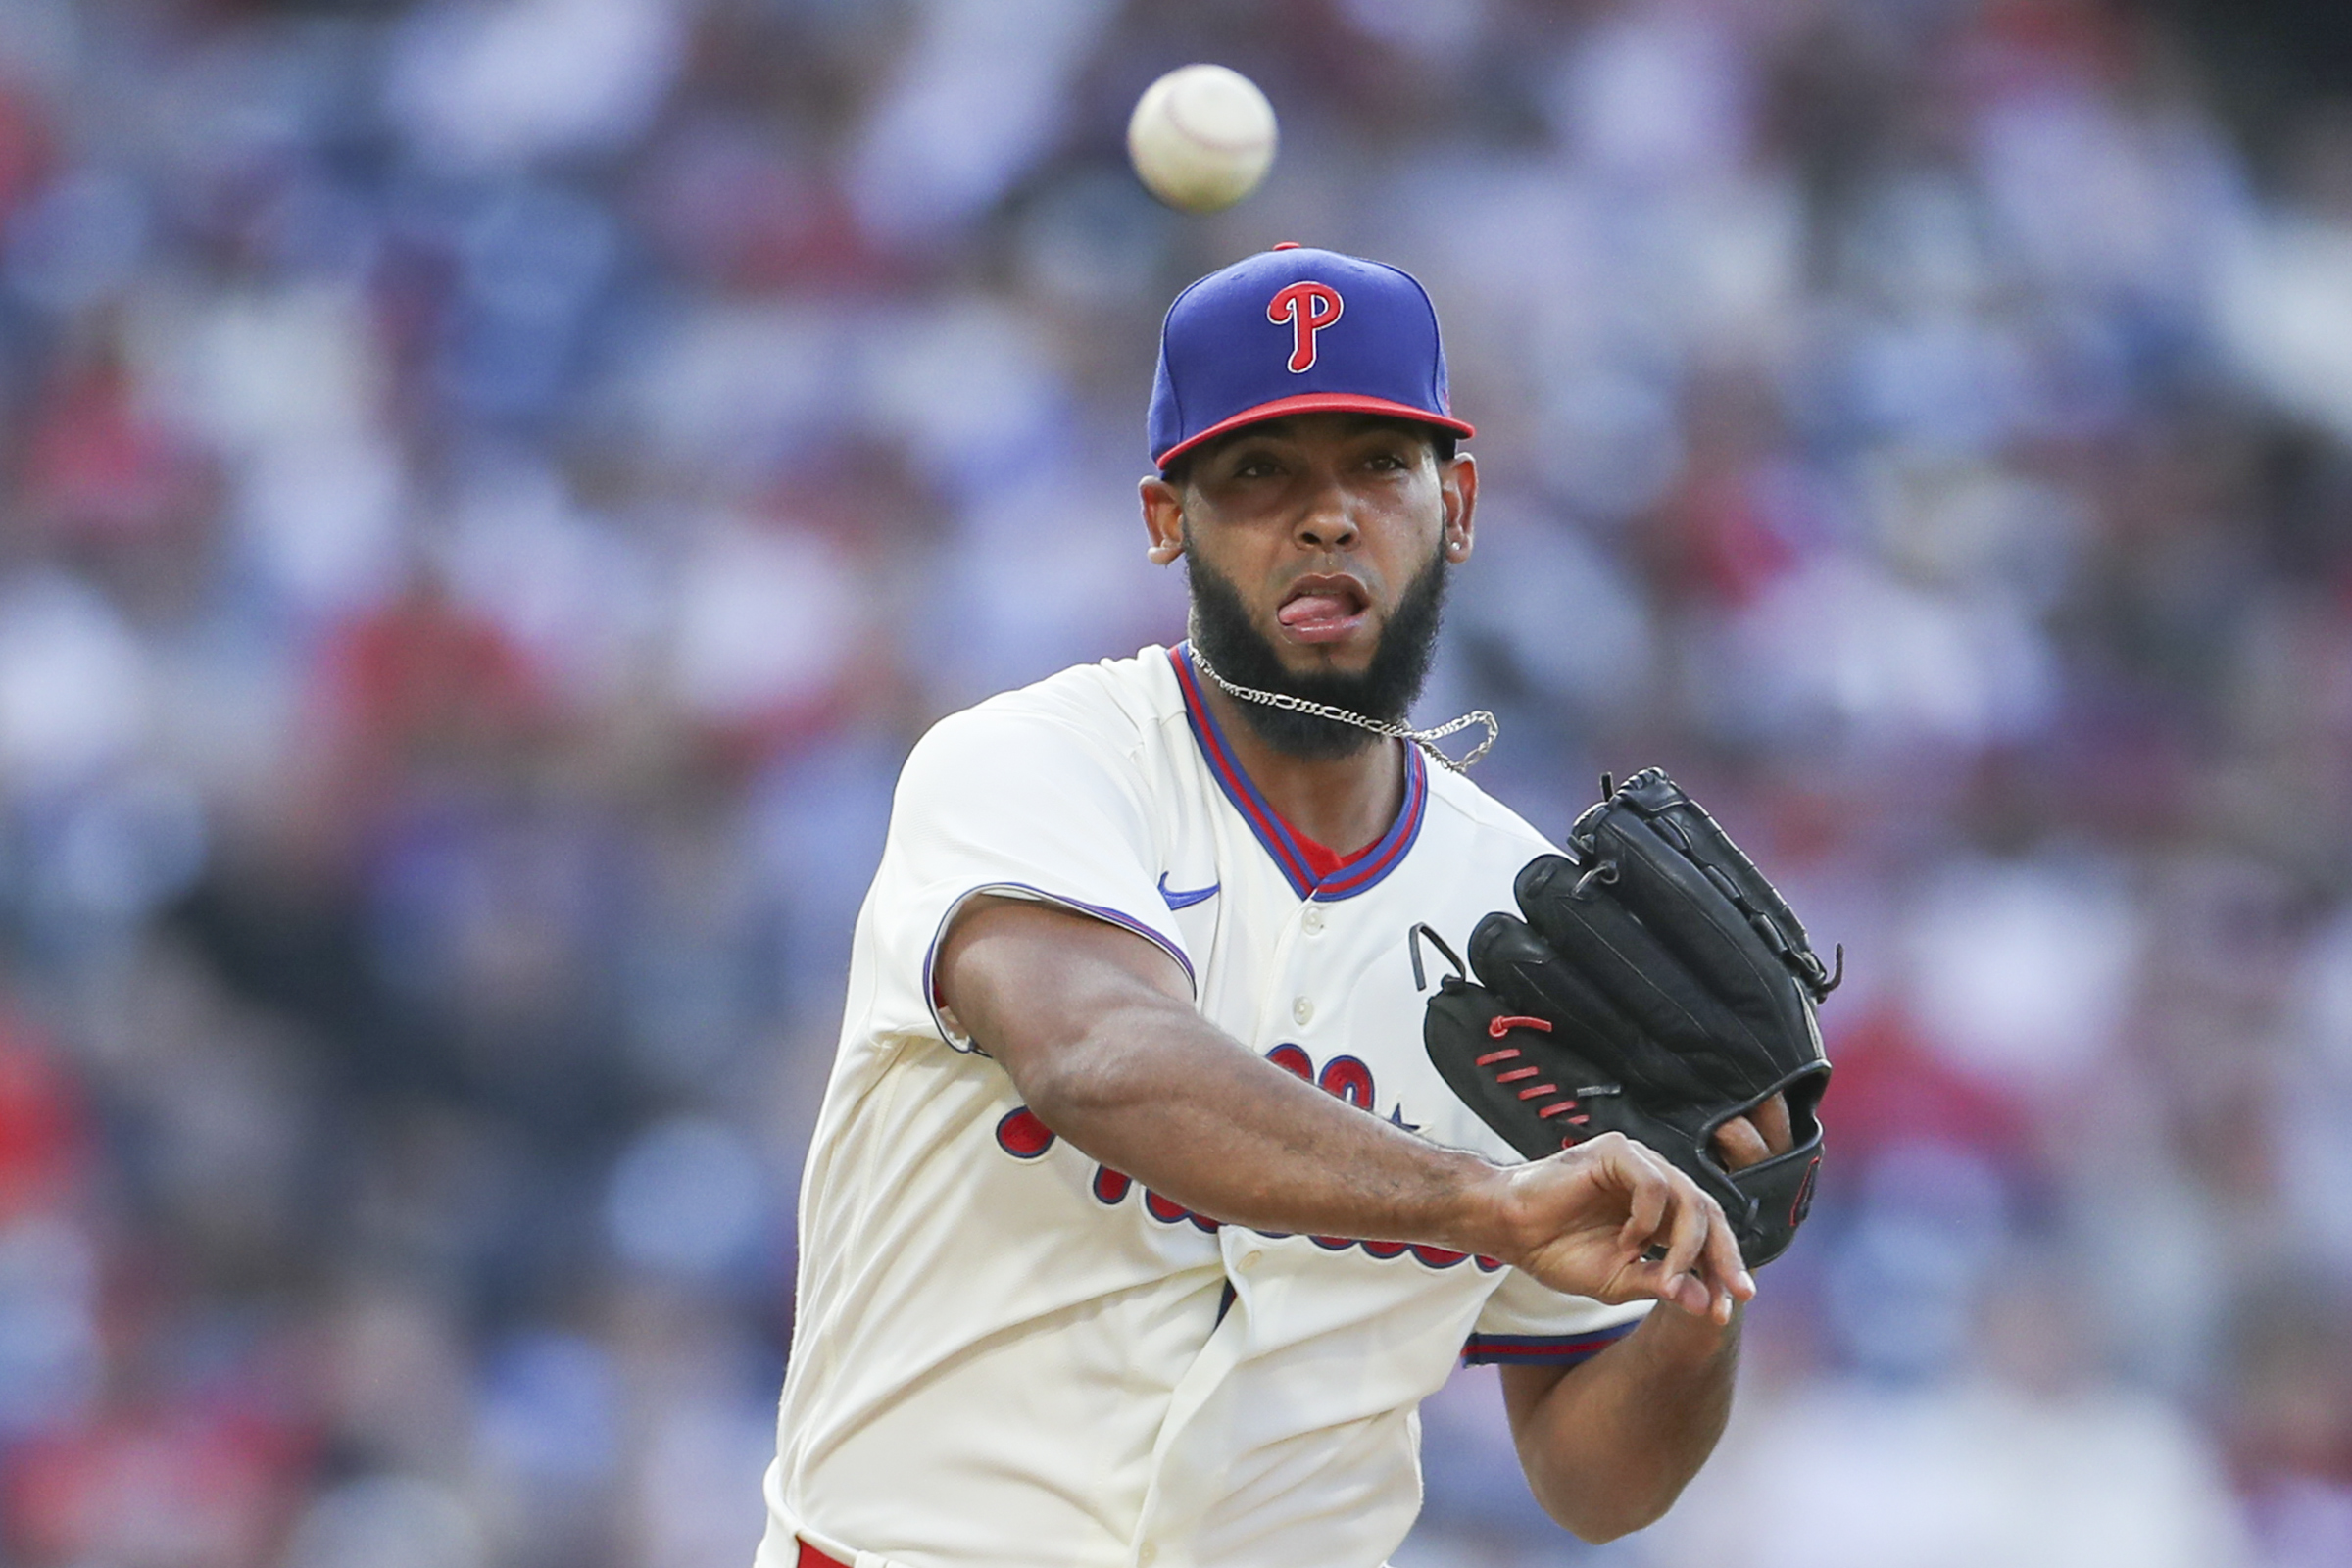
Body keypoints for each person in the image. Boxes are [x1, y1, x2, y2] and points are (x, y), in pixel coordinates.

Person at [754, 245, 1789, 1568]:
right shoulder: (1032, 763)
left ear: (1456, 502)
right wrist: (1480, 1201)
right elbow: (1097, 1055)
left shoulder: (1530, 925)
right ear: (1163, 519)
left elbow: (1596, 1483)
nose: (1326, 517)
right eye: (1259, 473)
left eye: (1377, 464)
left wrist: (1706, 1279)